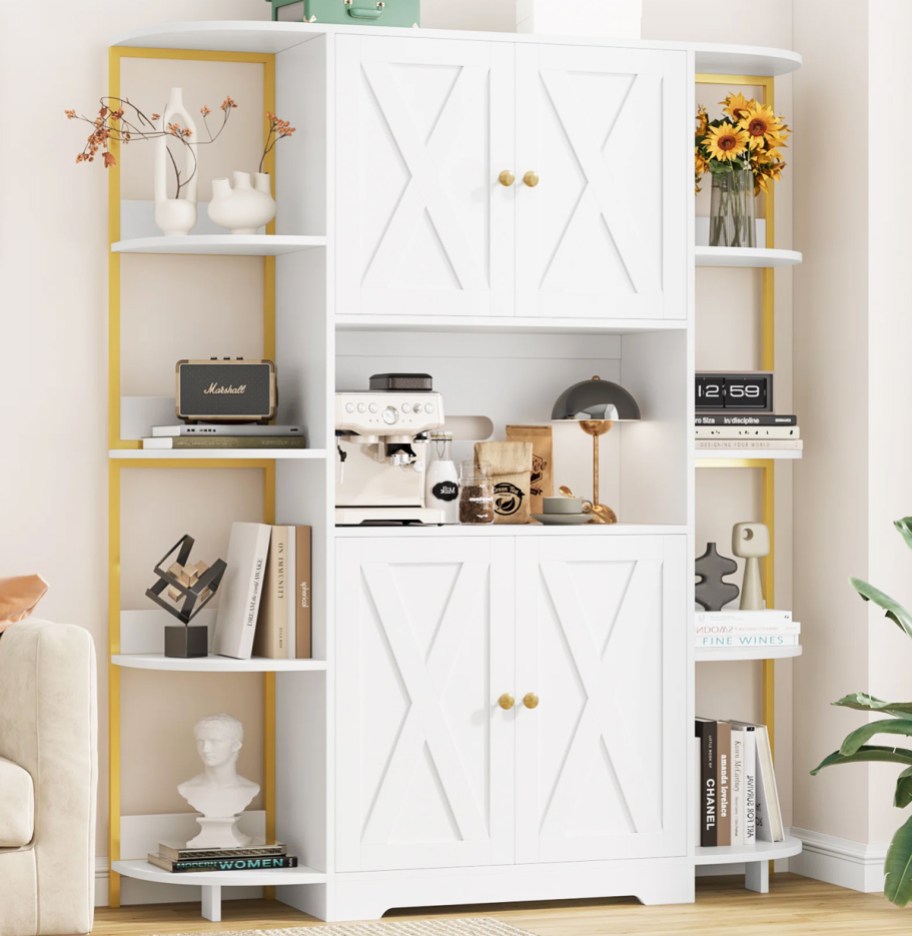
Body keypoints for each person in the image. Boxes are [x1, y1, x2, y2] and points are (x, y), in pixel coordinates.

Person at [177, 713, 259, 819]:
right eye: (200, 741)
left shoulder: (249, 789)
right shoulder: (187, 789)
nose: (205, 749)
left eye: (215, 741)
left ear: (235, 745)